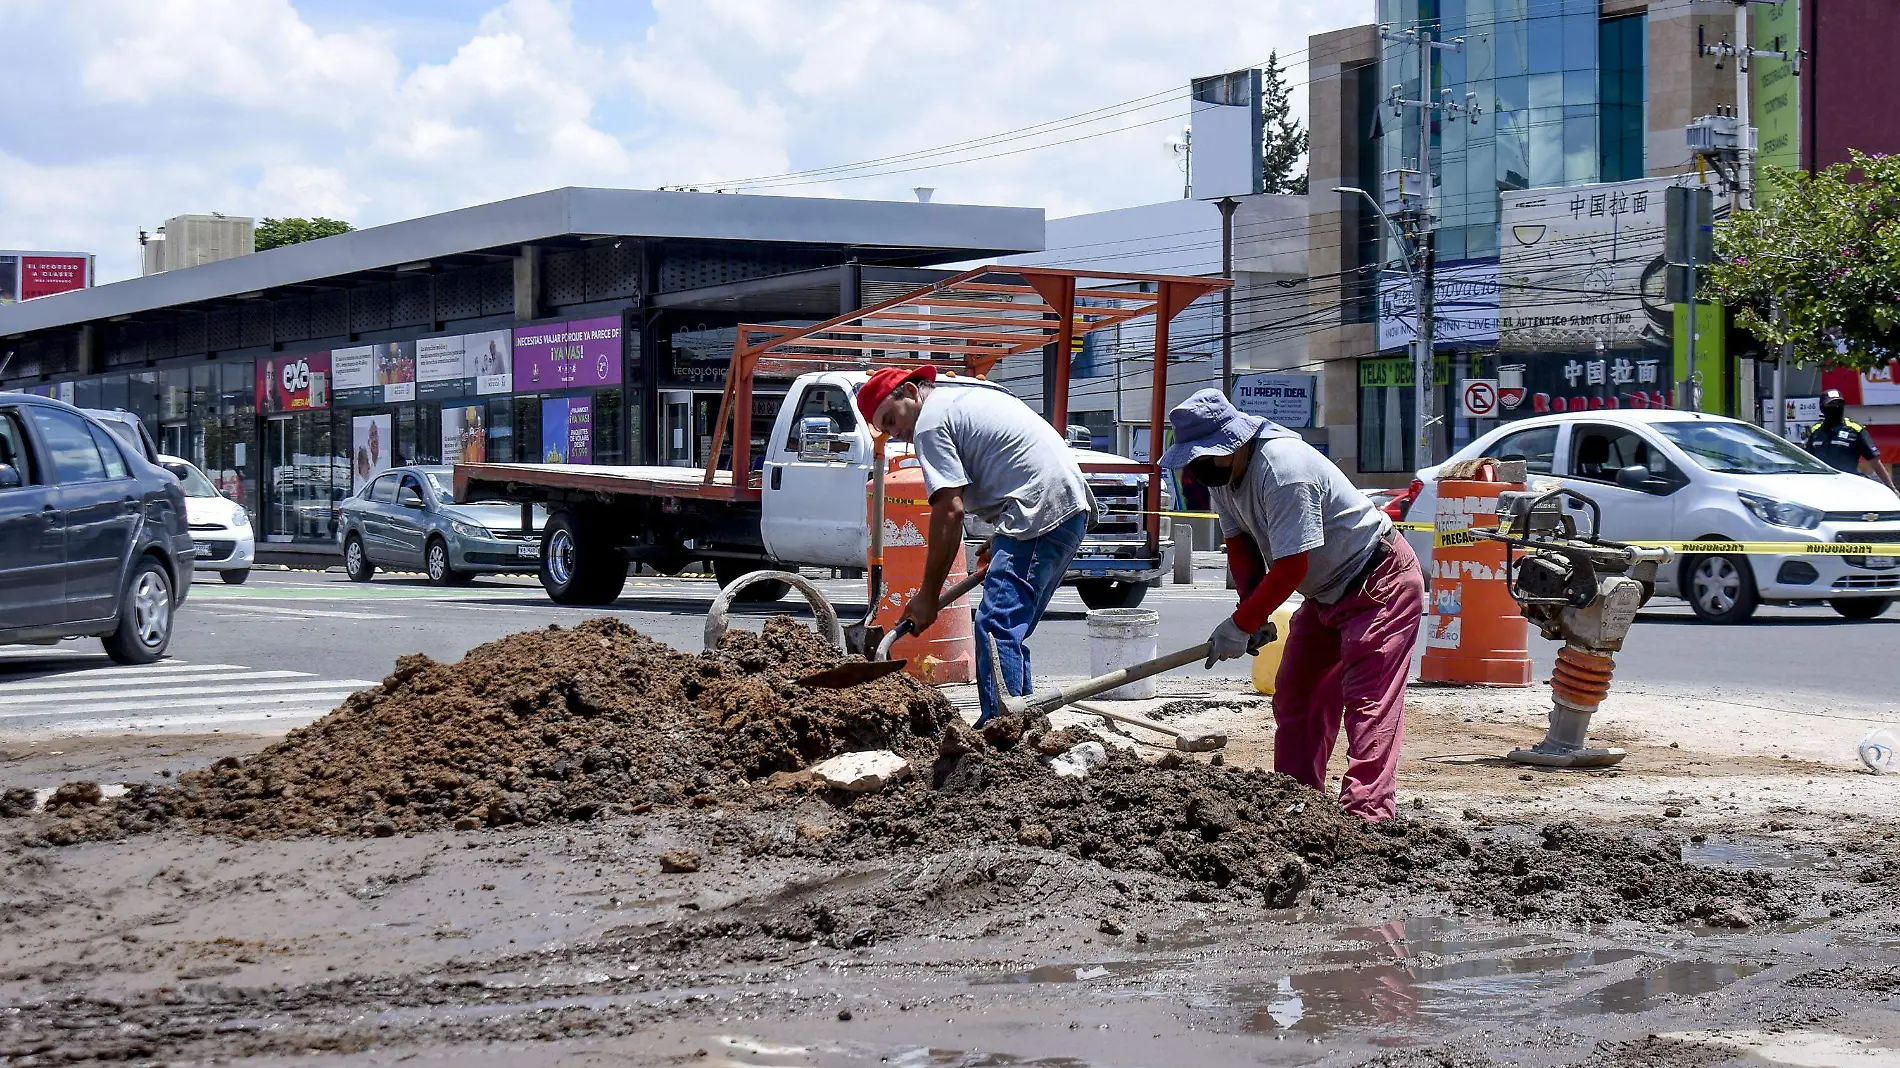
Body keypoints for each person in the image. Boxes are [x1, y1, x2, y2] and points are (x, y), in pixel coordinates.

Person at [1158, 389, 1424, 821]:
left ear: (1233, 443)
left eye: (1204, 455)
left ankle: (1368, 816)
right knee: (1298, 694)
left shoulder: (1283, 470)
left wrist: (1240, 623)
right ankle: (1295, 806)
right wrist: (1253, 610)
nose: (1197, 466)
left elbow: (1291, 566)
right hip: (1325, 594)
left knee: (1369, 704)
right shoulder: (1223, 478)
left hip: (1378, 582)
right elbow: (1239, 545)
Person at [858, 365, 1095, 725]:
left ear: (908, 391)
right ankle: (1021, 723)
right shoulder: (957, 400)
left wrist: (927, 596)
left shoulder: (930, 422)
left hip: (1039, 509)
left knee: (995, 626)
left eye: (892, 419)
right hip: (1062, 507)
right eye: (887, 430)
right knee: (1009, 629)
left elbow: (949, 513)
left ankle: (1001, 729)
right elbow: (1011, 464)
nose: (898, 433)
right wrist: (1000, 538)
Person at [1805, 389, 1897, 492]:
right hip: (1821, 487)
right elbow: (1806, 461)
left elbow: (1874, 461)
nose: (1836, 407)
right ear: (1822, 407)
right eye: (1831, 404)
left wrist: (1892, 488)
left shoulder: (1856, 430)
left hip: (1848, 487)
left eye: (1839, 403)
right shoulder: (1815, 431)